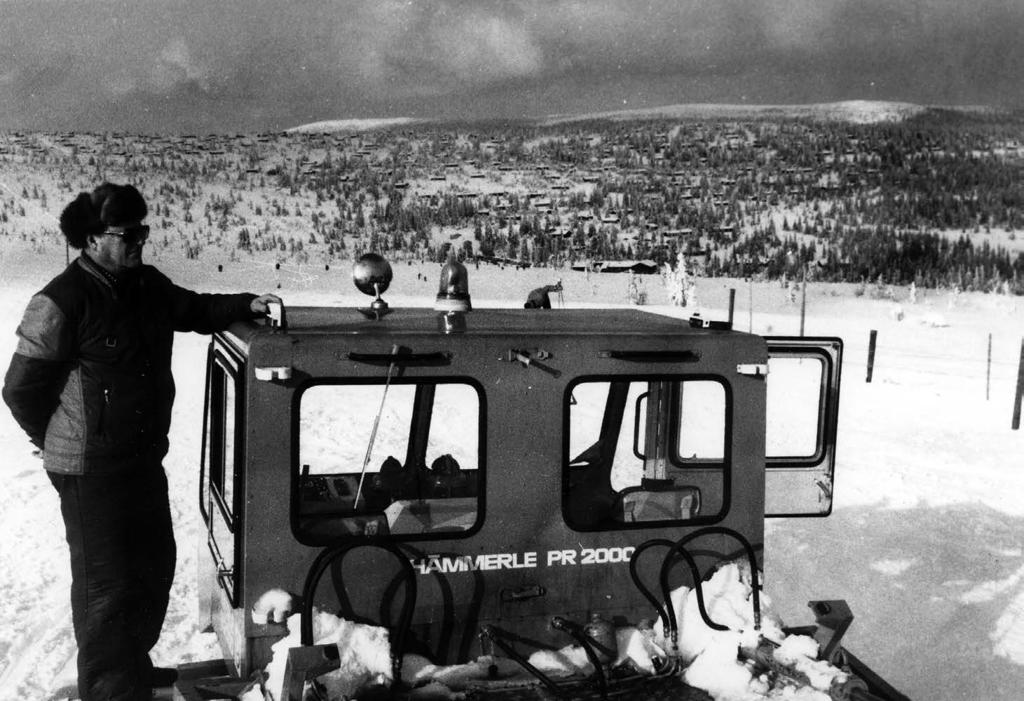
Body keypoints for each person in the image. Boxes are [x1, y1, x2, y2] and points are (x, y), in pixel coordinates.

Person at [1, 182, 281, 701]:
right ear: (91, 239)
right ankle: (110, 689)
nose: (139, 242)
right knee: (107, 586)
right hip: (91, 469)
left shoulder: (145, 285)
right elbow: (20, 389)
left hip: (139, 459)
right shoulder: (61, 300)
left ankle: (130, 664)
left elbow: (196, 309)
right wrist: (58, 441)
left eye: (143, 231)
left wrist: (247, 303)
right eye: (127, 234)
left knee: (155, 565)